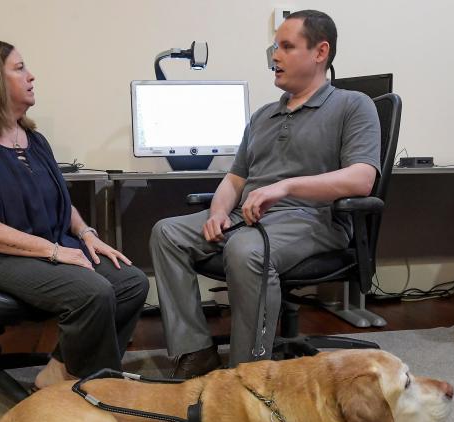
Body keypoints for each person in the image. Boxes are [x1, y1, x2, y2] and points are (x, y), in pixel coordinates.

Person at [150, 10, 381, 378]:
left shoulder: (353, 105)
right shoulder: (261, 117)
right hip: (249, 216)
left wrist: (287, 186)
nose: (275, 56)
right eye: (274, 46)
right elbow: (235, 180)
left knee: (246, 249)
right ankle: (195, 352)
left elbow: (362, 179)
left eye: (287, 47)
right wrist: (218, 213)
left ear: (320, 52)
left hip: (310, 218)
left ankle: (248, 375)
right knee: (168, 233)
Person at [0, 41, 149, 389]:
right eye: (19, 68)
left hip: (43, 245)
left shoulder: (33, 138)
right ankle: (92, 388)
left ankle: (65, 369)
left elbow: (59, 200)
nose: (31, 76)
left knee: (131, 282)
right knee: (90, 291)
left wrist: (88, 234)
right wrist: (52, 251)